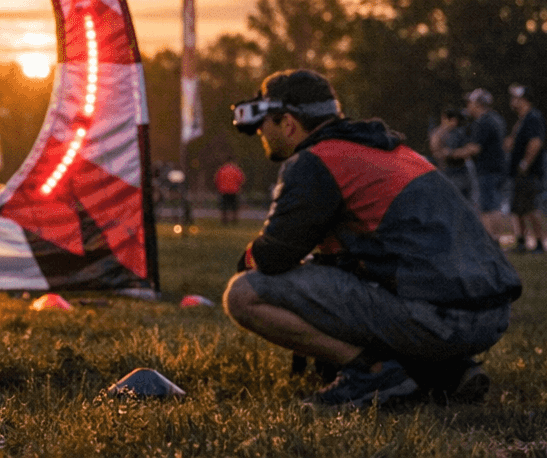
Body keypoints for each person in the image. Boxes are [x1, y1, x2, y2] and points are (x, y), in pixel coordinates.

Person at [221, 70, 521, 409]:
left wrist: (248, 260)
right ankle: (445, 370)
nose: (261, 132)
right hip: (491, 315)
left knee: (244, 294)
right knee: (353, 278)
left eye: (265, 123)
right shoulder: (394, 150)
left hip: (439, 317)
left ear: (288, 123)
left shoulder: (315, 161)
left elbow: (273, 257)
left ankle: (372, 372)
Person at [456, 88, 510, 239]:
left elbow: (474, 148)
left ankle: (491, 241)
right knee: (495, 205)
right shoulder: (496, 119)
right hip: (499, 168)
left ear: (477, 104)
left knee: (487, 207)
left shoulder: (483, 122)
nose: (468, 105)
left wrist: (450, 153)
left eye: (470, 102)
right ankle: (496, 239)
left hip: (488, 169)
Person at [505, 84, 547, 253]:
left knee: (530, 208)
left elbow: (536, 142)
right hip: (518, 173)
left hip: (529, 172)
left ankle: (539, 244)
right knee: (517, 209)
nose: (513, 101)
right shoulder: (522, 120)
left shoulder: (533, 117)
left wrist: (524, 163)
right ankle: (521, 242)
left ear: (524, 100)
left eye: (516, 98)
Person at [429, 107, 477, 204]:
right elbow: (434, 149)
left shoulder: (460, 132)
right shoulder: (439, 133)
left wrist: (449, 153)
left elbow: (470, 150)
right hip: (447, 173)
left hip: (460, 174)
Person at [214, 158, 246, 224]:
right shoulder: (236, 169)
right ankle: (234, 220)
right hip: (234, 190)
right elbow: (241, 179)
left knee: (224, 207)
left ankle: (224, 220)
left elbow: (217, 179)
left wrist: (219, 187)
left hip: (224, 191)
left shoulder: (222, 169)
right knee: (234, 207)